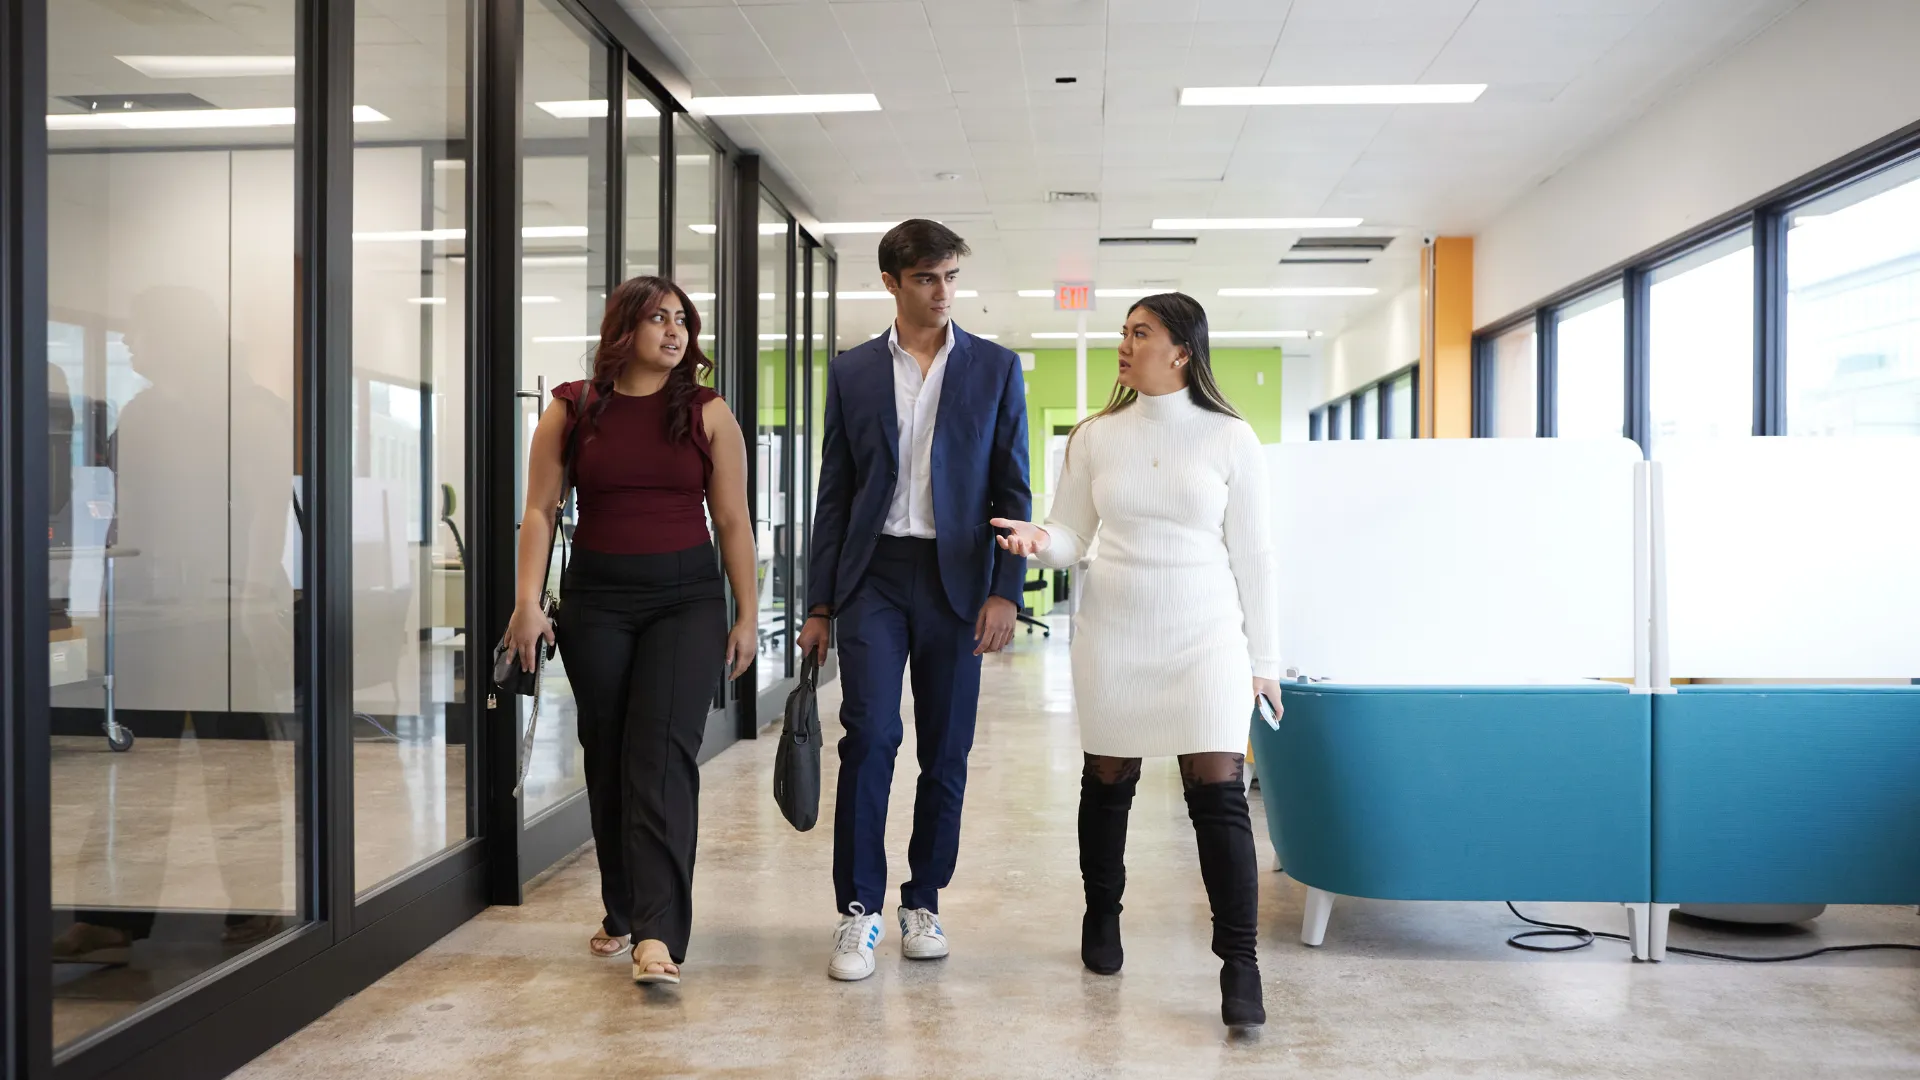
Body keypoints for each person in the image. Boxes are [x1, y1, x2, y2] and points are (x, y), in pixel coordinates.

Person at [991, 293, 1280, 1029]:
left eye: (1140, 333)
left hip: (1206, 635)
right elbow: (1070, 535)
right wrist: (1036, 541)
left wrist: (1266, 658)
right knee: (1108, 780)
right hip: (1116, 630)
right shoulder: (1094, 436)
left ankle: (1240, 965)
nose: (1126, 344)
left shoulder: (1230, 438)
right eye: (1124, 332)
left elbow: (1257, 558)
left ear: (1182, 349)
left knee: (1217, 792)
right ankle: (1102, 915)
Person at [503, 276, 757, 987]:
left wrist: (745, 612)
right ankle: (623, 906)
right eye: (658, 319)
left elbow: (732, 521)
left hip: (686, 601)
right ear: (624, 329)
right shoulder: (573, 408)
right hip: (597, 601)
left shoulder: (707, 413)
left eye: (682, 321)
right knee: (609, 755)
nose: (675, 332)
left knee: (660, 758)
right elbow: (540, 512)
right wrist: (527, 602)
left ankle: (658, 934)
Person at [798, 219, 1031, 982]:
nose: (943, 292)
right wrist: (820, 605)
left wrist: (1005, 592)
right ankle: (859, 911)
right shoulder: (854, 371)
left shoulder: (996, 369)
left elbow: (1012, 489)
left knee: (947, 750)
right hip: (873, 577)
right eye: (927, 278)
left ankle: (922, 898)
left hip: (957, 580)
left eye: (952, 276)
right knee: (868, 736)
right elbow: (834, 495)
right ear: (892, 283)